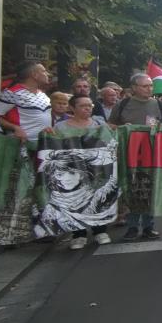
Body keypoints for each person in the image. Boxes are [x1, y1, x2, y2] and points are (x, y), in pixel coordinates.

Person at [46, 94, 114, 249]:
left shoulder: (98, 125)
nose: (87, 109)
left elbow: (110, 146)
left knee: (97, 200)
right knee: (74, 202)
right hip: (71, 172)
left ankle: (100, 231)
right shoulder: (60, 127)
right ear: (72, 108)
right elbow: (54, 149)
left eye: (90, 106)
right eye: (83, 106)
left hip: (95, 172)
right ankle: (79, 234)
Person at [107, 73, 162, 240]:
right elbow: (110, 124)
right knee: (132, 190)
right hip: (129, 155)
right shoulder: (123, 104)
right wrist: (122, 128)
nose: (149, 89)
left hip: (152, 155)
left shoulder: (159, 105)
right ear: (134, 88)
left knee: (150, 191)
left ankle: (149, 226)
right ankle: (132, 227)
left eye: (151, 86)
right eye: (145, 86)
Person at [0, 62, 53, 141]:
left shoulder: (42, 94)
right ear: (34, 75)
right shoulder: (12, 92)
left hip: (44, 144)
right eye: (44, 71)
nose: (48, 74)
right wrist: (15, 128)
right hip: (22, 144)